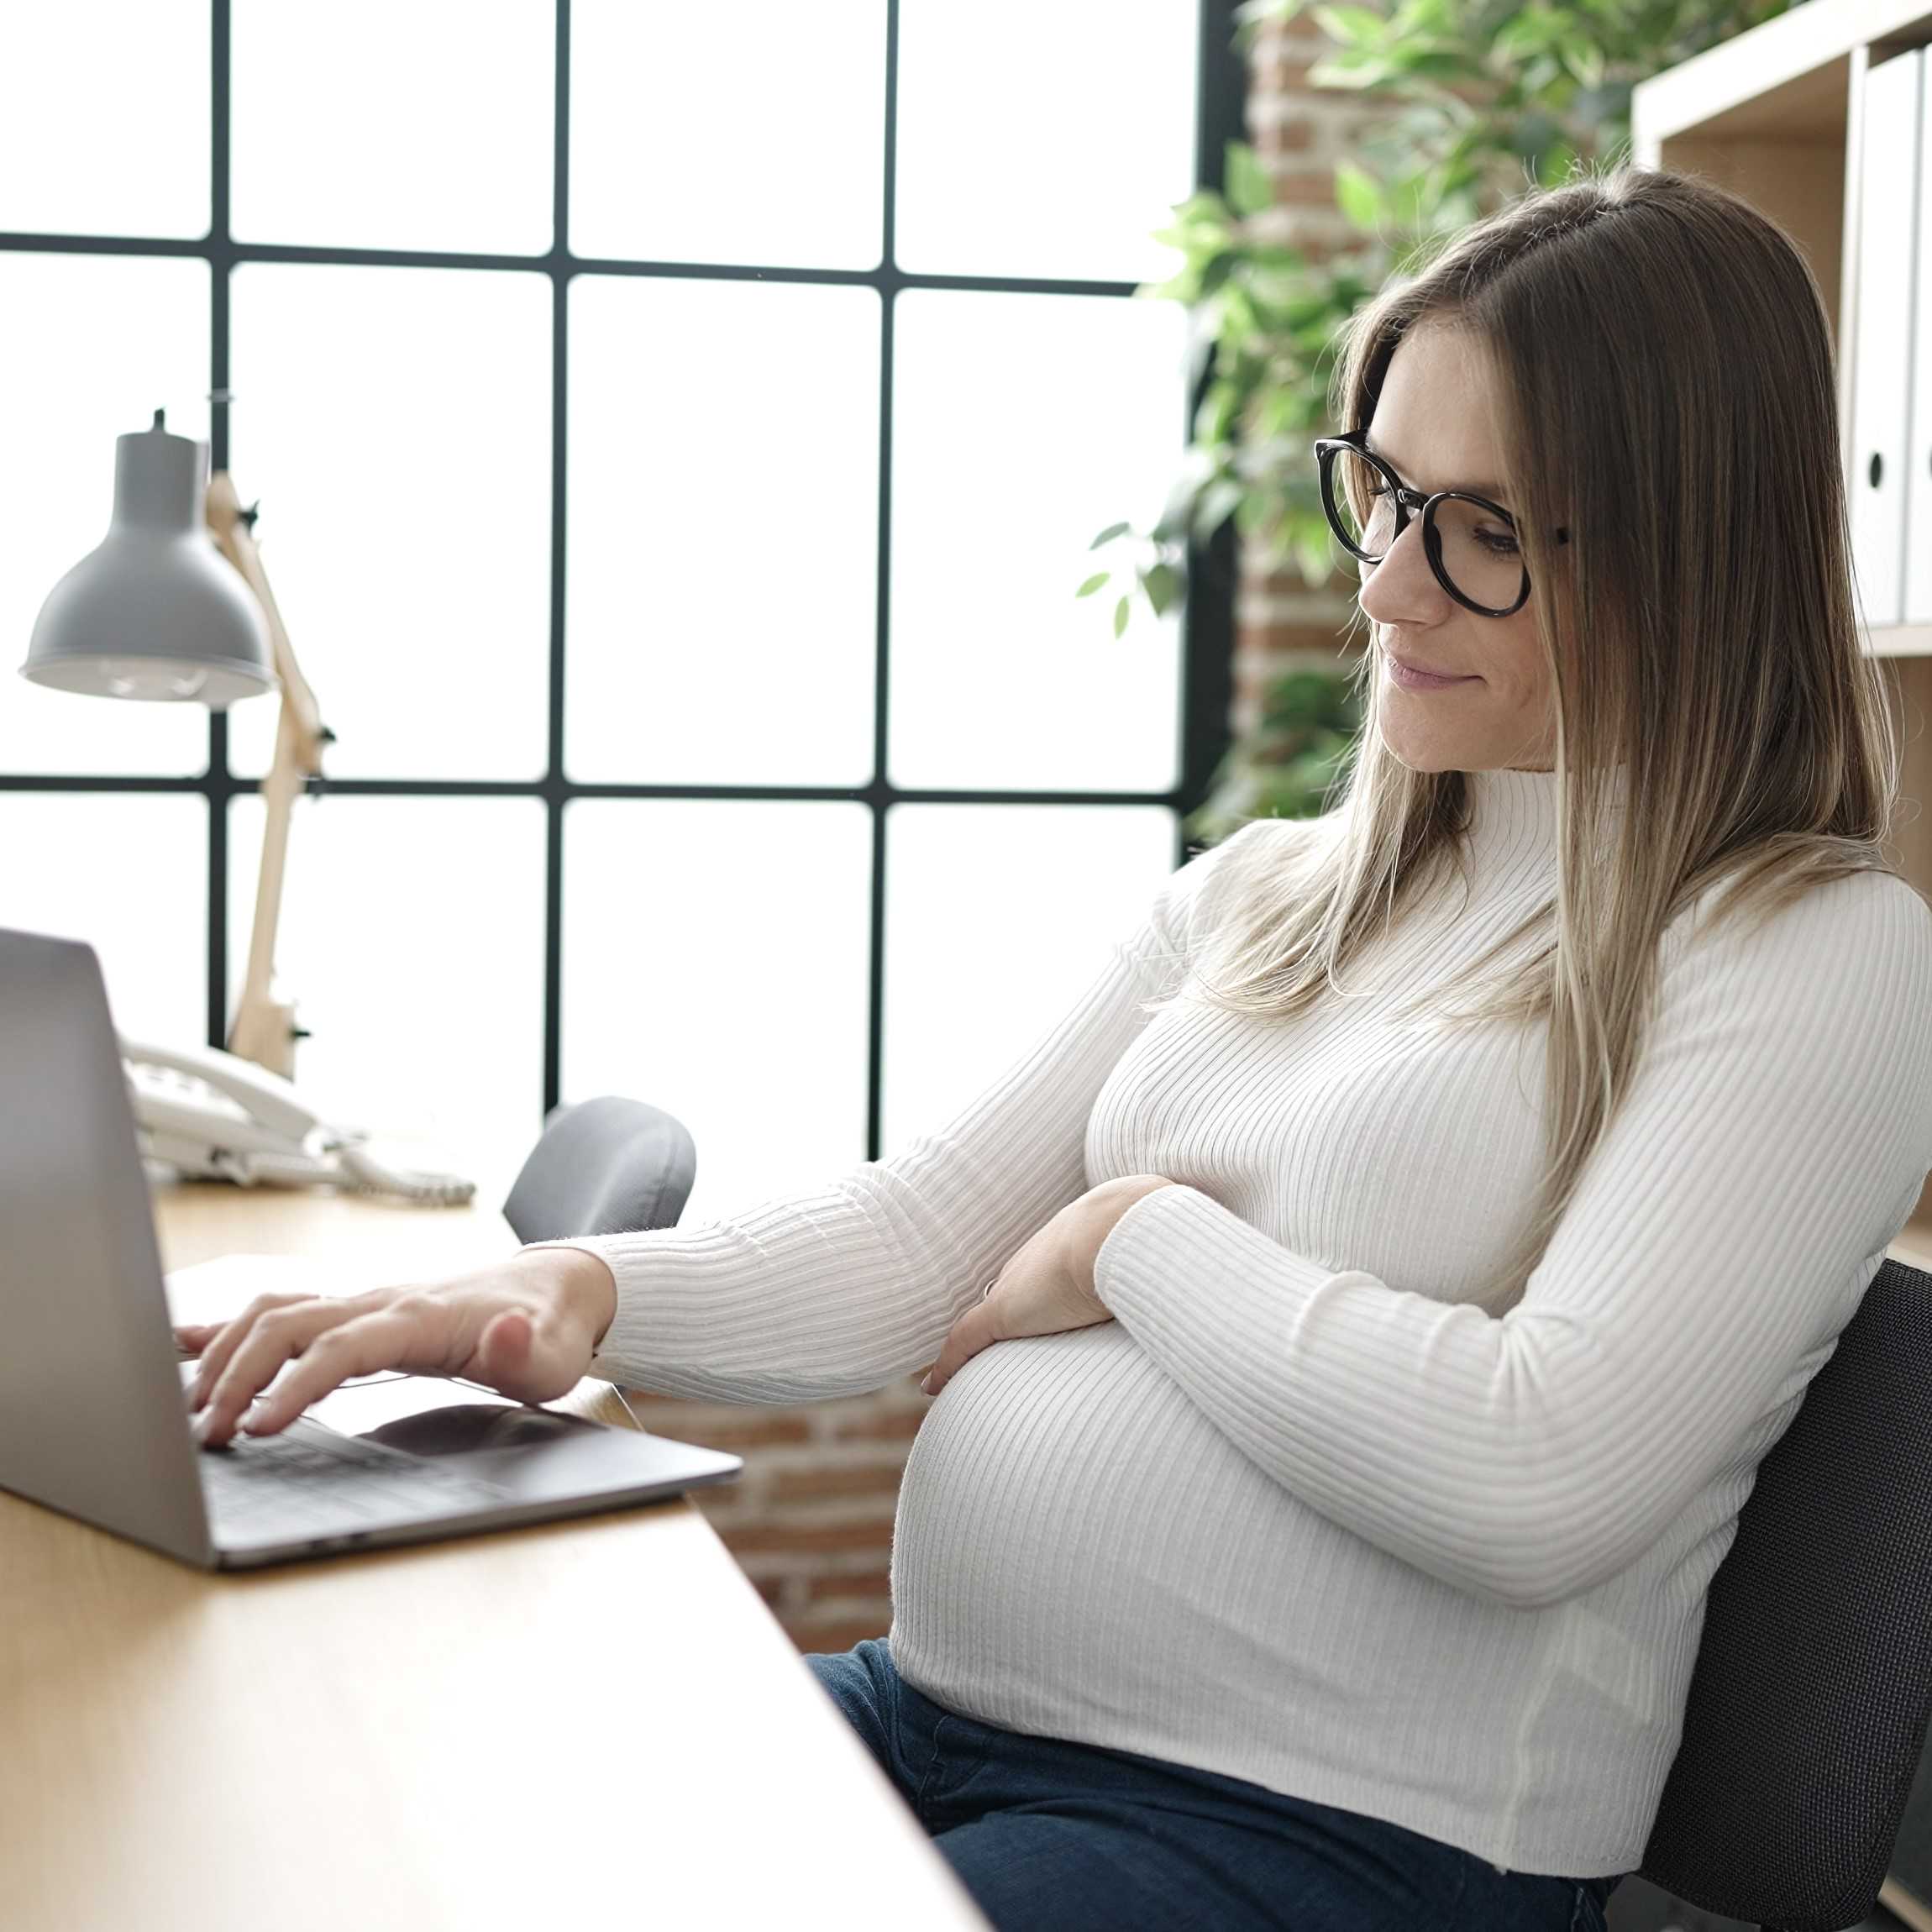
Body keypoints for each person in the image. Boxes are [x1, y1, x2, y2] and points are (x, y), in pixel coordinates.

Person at [175, 160, 1932, 1932]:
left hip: (1334, 1840)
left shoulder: (1810, 952)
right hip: (942, 1718)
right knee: (398, 1850)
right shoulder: (1276, 890)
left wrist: (1130, 1238)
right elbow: (918, 1235)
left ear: (1686, 554)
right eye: (1385, 493)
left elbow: (1532, 1473)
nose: (1389, 590)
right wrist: (566, 1292)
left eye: (1483, 531)